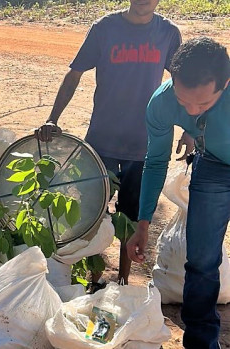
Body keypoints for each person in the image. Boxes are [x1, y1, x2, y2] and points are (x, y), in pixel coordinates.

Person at [35, 0, 182, 286]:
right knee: (92, 212)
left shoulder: (168, 33)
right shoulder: (105, 29)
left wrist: (189, 129)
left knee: (131, 215)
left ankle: (123, 280)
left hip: (144, 144)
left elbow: (181, 81)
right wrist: (53, 117)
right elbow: (74, 73)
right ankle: (94, 277)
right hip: (102, 140)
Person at [127, 37, 230, 349]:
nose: (191, 110)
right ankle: (201, 343)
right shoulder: (161, 102)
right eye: (184, 101)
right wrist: (143, 223)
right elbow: (156, 161)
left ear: (225, 84)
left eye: (203, 104)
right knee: (200, 261)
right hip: (212, 166)